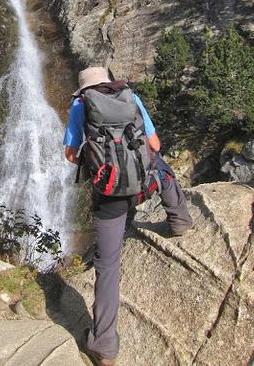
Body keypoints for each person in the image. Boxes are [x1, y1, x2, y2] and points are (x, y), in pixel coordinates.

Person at [63, 67, 192, 366]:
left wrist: (95, 154)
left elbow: (70, 155)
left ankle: (105, 346)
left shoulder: (80, 105)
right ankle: (180, 219)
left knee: (107, 265)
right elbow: (155, 145)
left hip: (110, 194)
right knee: (160, 166)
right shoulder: (129, 96)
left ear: (85, 88)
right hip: (142, 184)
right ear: (109, 81)